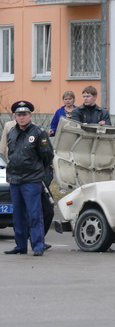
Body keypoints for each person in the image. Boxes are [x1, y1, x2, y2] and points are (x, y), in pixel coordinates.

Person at [4, 101, 54, 256]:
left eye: (24, 114)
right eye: (19, 115)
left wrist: (37, 170)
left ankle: (38, 246)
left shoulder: (38, 132)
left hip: (32, 179)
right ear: (14, 116)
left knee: (34, 214)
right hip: (15, 179)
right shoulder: (11, 132)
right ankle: (20, 246)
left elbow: (47, 155)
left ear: (30, 115)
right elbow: (10, 154)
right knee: (18, 215)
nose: (22, 117)